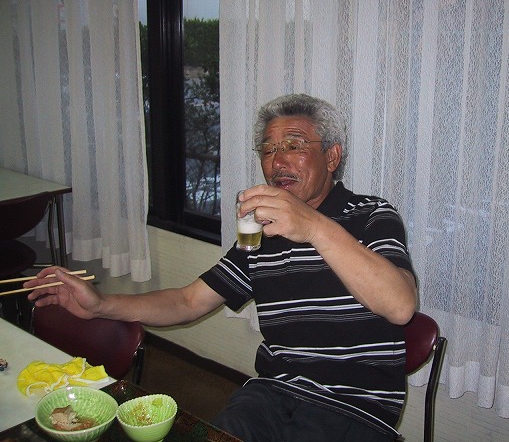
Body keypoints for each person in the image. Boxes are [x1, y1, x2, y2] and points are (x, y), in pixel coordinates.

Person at [26, 93, 417, 442]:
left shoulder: (371, 215)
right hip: (271, 394)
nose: (277, 160)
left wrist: (313, 227)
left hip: (355, 407)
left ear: (331, 156)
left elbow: (400, 306)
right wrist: (100, 305)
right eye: (267, 149)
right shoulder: (261, 232)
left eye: (294, 145)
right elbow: (187, 301)